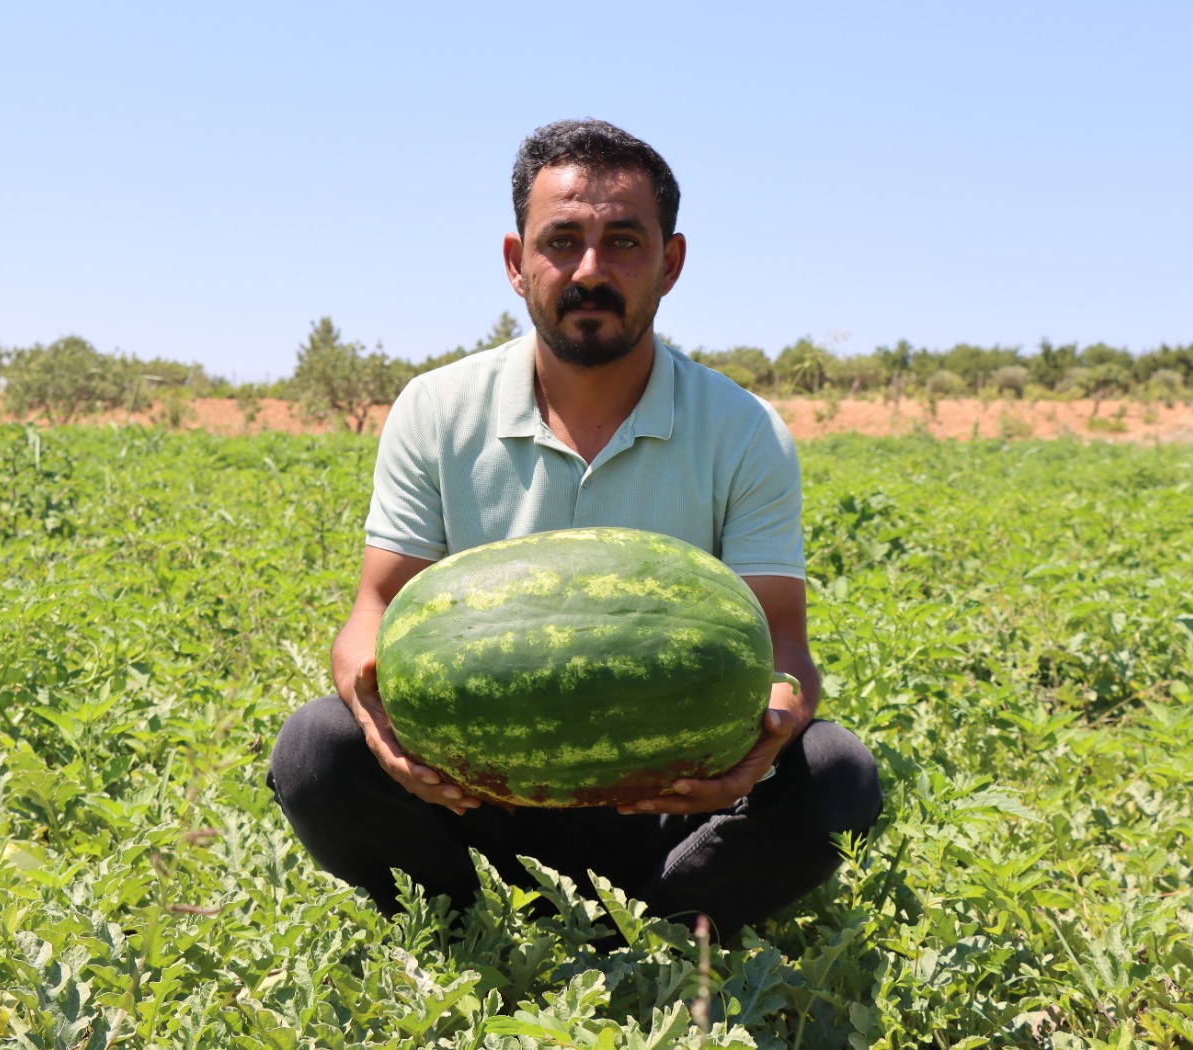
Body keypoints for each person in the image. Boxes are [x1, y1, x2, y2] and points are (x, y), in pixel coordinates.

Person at [269, 119, 881, 936]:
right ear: (516, 262)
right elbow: (373, 612)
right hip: (479, 798)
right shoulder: (437, 409)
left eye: (623, 241)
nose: (590, 270)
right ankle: (465, 929)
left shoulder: (742, 429)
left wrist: (767, 741)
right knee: (317, 747)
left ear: (670, 263)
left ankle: (662, 932)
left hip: (669, 802)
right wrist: (381, 731)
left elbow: (783, 651)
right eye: (562, 241)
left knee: (836, 773)